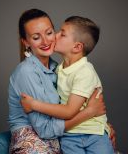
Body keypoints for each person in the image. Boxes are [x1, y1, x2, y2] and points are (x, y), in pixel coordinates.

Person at [0, 9, 110, 154]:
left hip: (61, 138)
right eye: (36, 37)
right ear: (26, 42)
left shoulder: (58, 69)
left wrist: (103, 128)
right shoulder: (26, 72)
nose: (46, 41)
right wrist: (89, 112)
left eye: (49, 33)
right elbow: (45, 130)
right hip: (34, 141)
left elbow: (73, 104)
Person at [21, 16, 115, 154]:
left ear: (77, 47)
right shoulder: (59, 69)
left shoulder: (84, 71)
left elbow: (69, 110)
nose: (55, 35)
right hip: (69, 135)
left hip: (94, 134)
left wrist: (33, 105)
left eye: (62, 34)